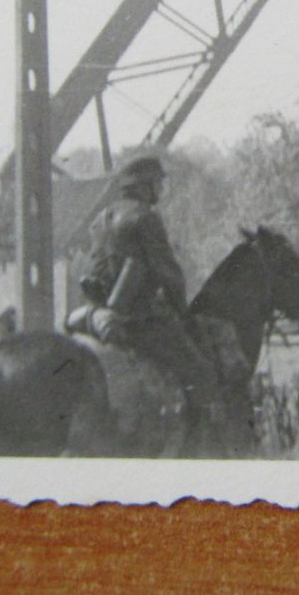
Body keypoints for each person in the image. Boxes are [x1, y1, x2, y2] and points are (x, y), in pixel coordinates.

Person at [80, 155, 221, 453]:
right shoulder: (145, 217)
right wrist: (183, 312)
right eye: (157, 182)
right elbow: (167, 273)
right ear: (144, 186)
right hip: (138, 320)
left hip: (98, 315)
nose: (160, 188)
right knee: (201, 373)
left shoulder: (100, 219)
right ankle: (194, 450)